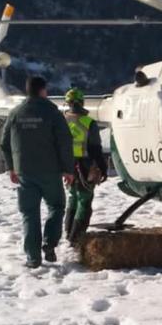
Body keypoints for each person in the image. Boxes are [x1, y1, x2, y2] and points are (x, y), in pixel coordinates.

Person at [0, 76, 75, 268]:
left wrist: (11, 167)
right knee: (56, 207)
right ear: (43, 90)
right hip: (50, 171)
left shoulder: (15, 113)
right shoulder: (52, 112)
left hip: (24, 171)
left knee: (29, 213)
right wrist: (67, 169)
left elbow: (4, 143)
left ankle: (33, 259)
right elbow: (64, 141)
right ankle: (49, 244)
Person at [63, 88, 109, 246]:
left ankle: (69, 231)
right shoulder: (89, 122)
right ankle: (77, 236)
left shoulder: (62, 120)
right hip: (85, 165)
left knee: (73, 197)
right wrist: (103, 168)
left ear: (67, 103)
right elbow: (96, 148)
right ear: (82, 102)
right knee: (84, 200)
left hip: (67, 165)